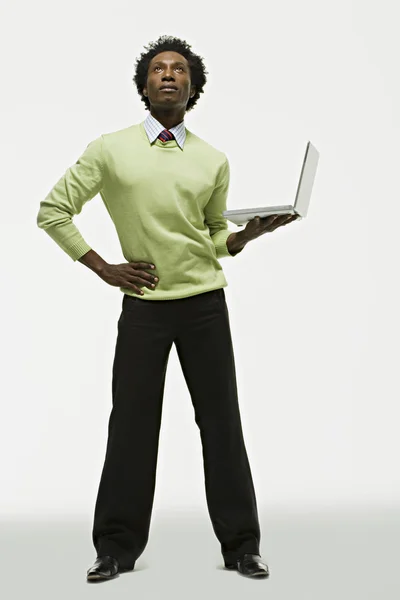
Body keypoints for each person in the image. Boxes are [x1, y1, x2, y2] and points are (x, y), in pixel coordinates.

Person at [36, 34, 298, 582]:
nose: (169, 75)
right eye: (159, 69)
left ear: (193, 87)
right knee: (131, 426)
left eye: (180, 69)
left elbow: (210, 236)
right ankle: (114, 548)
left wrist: (247, 236)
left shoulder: (213, 159)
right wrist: (103, 267)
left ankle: (242, 546)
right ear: (144, 85)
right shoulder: (109, 149)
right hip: (144, 308)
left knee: (221, 425)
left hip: (205, 305)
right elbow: (53, 211)